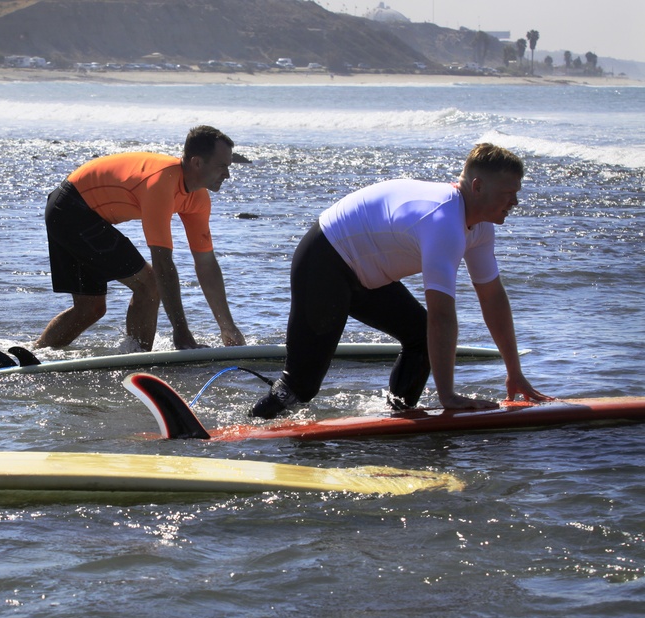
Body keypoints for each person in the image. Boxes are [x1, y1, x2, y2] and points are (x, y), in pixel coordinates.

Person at [252, 143, 552, 419]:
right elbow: (442, 315)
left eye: (517, 193)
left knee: (420, 337)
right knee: (300, 386)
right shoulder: (444, 222)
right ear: (477, 186)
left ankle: (397, 414)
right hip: (326, 259)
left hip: (366, 271)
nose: (515, 202)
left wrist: (514, 372)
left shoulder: (481, 227)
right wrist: (448, 396)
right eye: (507, 193)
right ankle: (249, 429)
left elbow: (492, 298)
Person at [35, 125, 247, 352]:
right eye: (222, 166)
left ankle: (36, 354)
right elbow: (163, 263)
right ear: (197, 162)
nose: (227, 174)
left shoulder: (198, 198)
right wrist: (182, 334)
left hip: (76, 211)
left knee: (91, 309)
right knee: (150, 283)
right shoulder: (161, 183)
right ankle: (137, 357)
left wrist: (228, 328)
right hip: (70, 209)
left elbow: (206, 264)